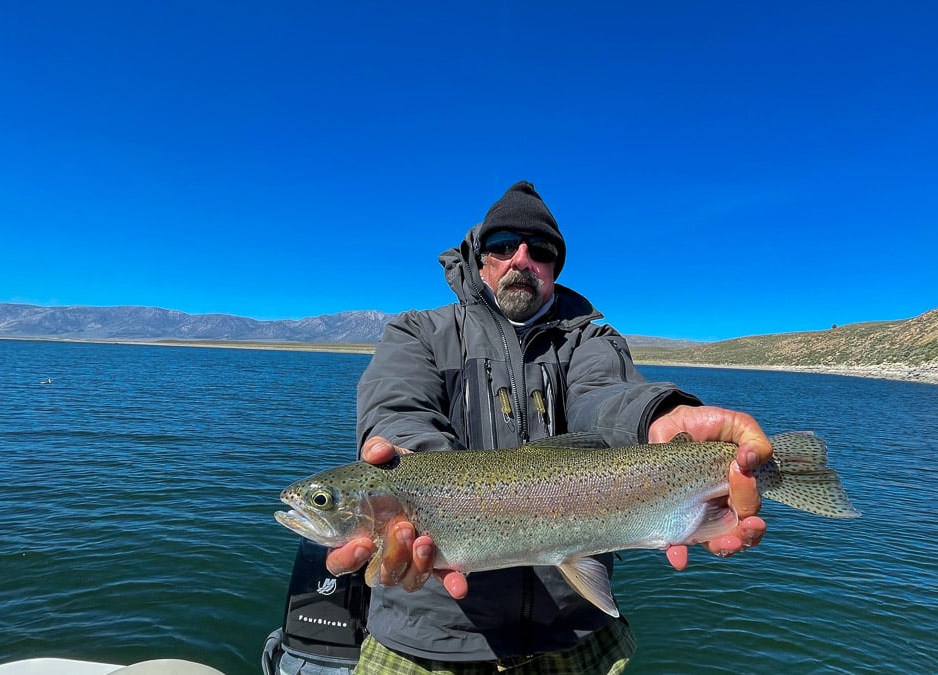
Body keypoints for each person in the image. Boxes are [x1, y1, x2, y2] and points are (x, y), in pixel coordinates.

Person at [326, 181, 772, 673]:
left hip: (573, 635)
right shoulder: (418, 331)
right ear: (479, 258)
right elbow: (397, 407)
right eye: (503, 246)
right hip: (427, 633)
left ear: (554, 268)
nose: (521, 259)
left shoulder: (591, 339)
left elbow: (604, 396)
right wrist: (409, 461)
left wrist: (659, 416)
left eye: (539, 250)